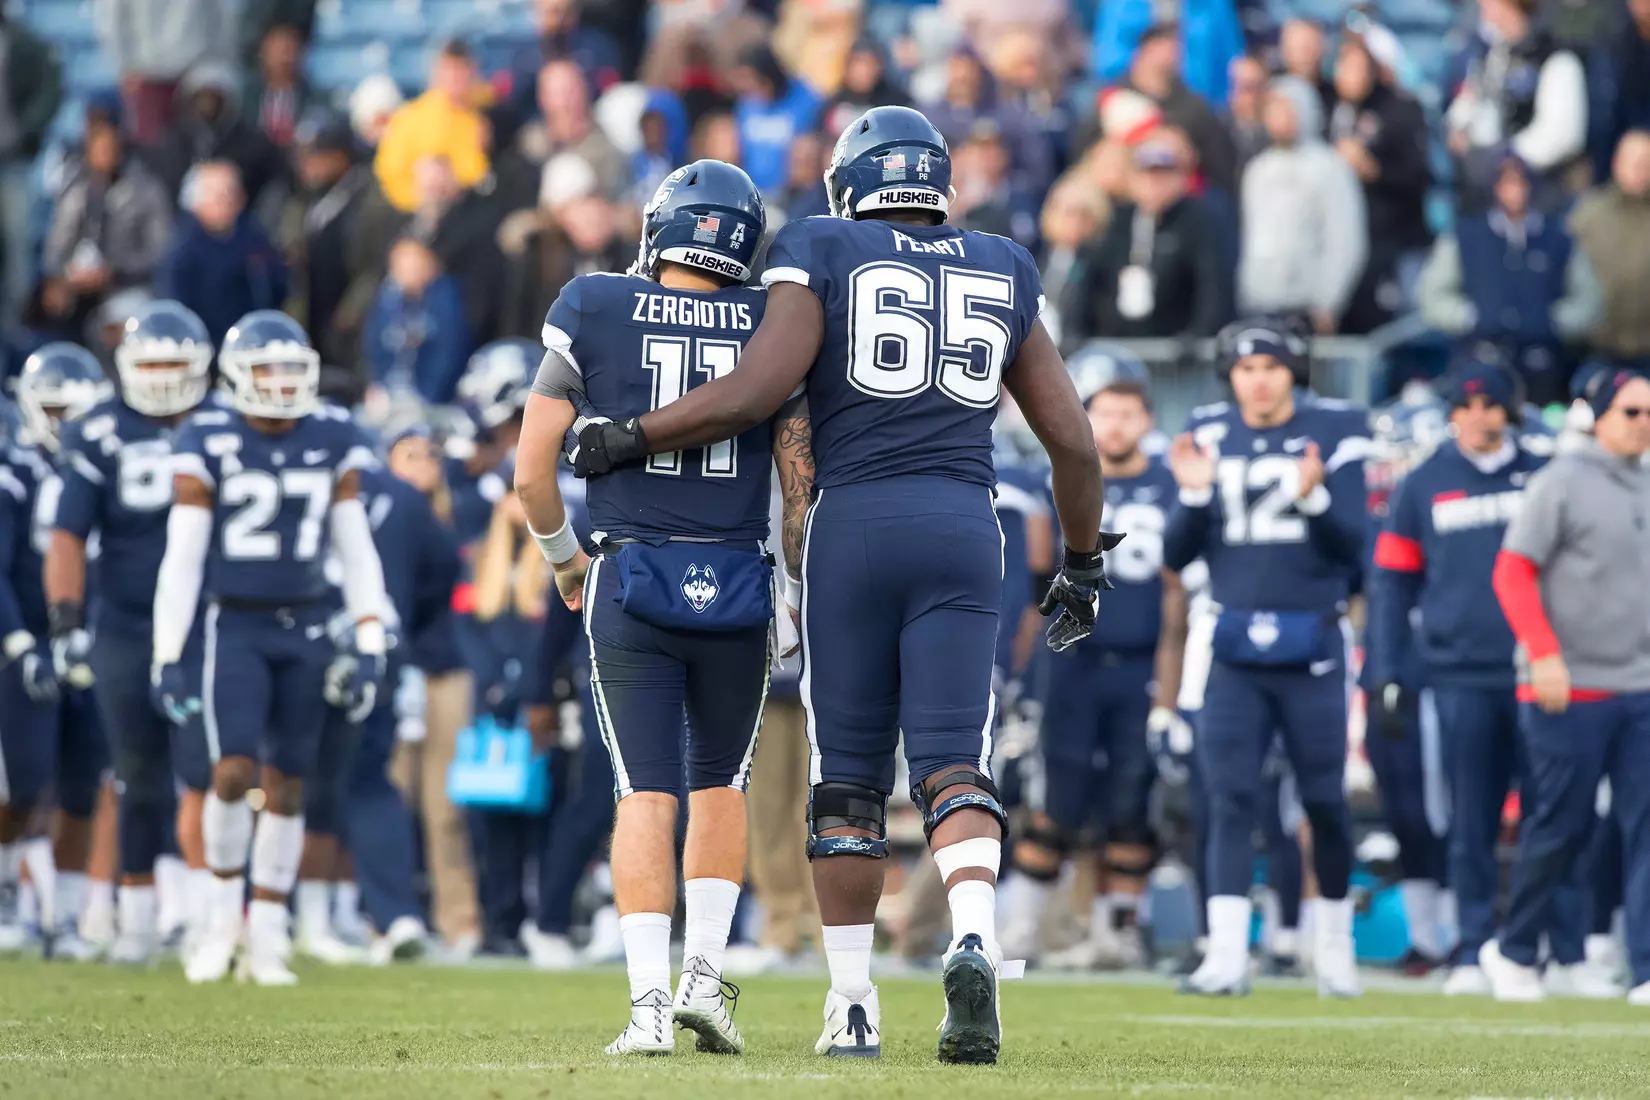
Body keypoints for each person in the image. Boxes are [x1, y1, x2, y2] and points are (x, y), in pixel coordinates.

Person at [570, 106, 1111, 1065]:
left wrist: (632, 435)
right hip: (962, 519)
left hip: (853, 523)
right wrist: (1079, 562)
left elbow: (752, 389)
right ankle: (974, 936)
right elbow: (1072, 438)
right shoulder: (1003, 262)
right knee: (953, 760)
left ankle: (853, 1001)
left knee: (846, 778)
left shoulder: (819, 244)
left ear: (849, 181)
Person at [515, 159, 805, 1054]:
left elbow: (532, 473)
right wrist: (792, 589)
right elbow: (801, 489)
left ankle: (646, 1007)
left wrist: (566, 561)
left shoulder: (595, 302)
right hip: (740, 578)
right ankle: (704, 982)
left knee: (643, 791)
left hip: (631, 576)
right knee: (724, 784)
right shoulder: (772, 318)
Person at [152, 310, 389, 986]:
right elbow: (183, 557)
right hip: (238, 624)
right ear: (235, 375)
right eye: (268, 371)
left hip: (310, 622)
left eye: (292, 371)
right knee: (230, 772)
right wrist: (169, 652)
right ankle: (221, 918)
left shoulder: (332, 434)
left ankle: (268, 930)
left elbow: (354, 544)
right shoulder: (208, 436)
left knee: (289, 781)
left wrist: (370, 633)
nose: (282, 385)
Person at [1164, 319, 1371, 997]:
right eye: (1247, 367)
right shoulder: (1209, 431)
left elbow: (1354, 551)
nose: (1258, 379)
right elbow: (1175, 553)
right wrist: (1194, 495)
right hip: (1232, 642)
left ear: (1293, 372)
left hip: (1314, 638)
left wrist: (1313, 497)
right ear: (1231, 374)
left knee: (1322, 799)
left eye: (1272, 367)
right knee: (1227, 799)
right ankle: (1226, 954)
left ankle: (1333, 945)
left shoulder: (1334, 430)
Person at [1367, 361, 1564, 993]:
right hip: (1458, 671)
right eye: (1468, 404)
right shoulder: (1423, 483)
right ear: (1452, 412)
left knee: (1551, 815)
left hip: (1541, 669)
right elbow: (1393, 587)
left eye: (1491, 405)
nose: (1479, 416)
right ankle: (1474, 946)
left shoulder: (1544, 475)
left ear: (1511, 411)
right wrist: (1387, 670)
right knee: (1471, 818)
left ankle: (1551, 947)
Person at [46, 302, 217, 965]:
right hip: (125, 621)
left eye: (178, 363)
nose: (167, 377)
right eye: (154, 363)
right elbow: (67, 534)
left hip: (209, 618)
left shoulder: (224, 424)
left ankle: (209, 915)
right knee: (138, 774)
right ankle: (140, 915)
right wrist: (65, 617)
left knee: (211, 770)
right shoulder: (97, 432)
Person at [1002, 378, 1186, 969]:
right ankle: (1022, 932)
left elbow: (1180, 585)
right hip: (1070, 662)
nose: (1114, 425)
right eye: (1104, 413)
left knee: (1131, 803)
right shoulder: (1064, 473)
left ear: (1148, 420)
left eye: (1128, 413)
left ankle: (1118, 933)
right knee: (1057, 797)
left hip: (1141, 662)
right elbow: (1034, 573)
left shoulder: (1171, 485)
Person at [1486, 368, 1650, 1004]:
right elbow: (1512, 571)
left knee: (1645, 828)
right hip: (1568, 683)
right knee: (1560, 826)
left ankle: (1644, 968)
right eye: (1631, 412)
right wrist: (1544, 654)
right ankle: (1516, 950)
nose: (1643, 423)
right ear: (1600, 415)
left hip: (1640, 683)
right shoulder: (1562, 481)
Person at [0, 348, 113, 957]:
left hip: (93, 639)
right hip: (30, 642)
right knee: (22, 783)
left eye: (77, 411)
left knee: (83, 783)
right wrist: (19, 645)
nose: (65, 423)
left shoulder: (108, 468)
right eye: (54, 410)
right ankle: (8, 893)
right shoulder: (14, 471)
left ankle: (66, 916)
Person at [1418, 156, 1600, 405]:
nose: (1514, 192)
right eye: (1506, 183)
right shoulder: (1466, 235)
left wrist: (1555, 322)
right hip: (1479, 359)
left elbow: (1589, 298)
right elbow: (1432, 293)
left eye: (1520, 183)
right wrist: (1470, 317)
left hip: (1543, 366)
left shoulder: (1558, 237)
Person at [1068, 137, 1229, 342]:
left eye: (1164, 173)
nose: (1154, 182)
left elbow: (1212, 284)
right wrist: (1079, 333)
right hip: (1118, 339)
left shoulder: (1199, 221)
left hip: (1174, 347)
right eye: (1146, 173)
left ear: (1181, 178)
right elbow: (1088, 279)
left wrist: (1197, 335)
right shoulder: (1116, 221)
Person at [1239, 78, 1368, 334]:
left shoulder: (1330, 168)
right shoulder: (1257, 170)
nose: (1281, 117)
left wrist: (1328, 301)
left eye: (1289, 108)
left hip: (1307, 305)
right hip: (1259, 301)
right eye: (1274, 108)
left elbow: (1344, 239)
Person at [1330, 33, 1433, 335]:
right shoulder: (1329, 109)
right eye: (1344, 66)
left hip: (1393, 243)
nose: (1350, 75)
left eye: (1359, 67)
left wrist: (1373, 170)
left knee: (1393, 327)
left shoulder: (1400, 110)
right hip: (1345, 244)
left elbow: (1420, 177)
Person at [1445, 0, 1588, 209]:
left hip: (1540, 190)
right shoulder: (1489, 55)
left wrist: (1507, 156)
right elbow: (1469, 101)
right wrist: (1458, 126)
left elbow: (1561, 136)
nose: (1483, 8)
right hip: (1488, 187)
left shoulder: (1555, 57)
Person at [42, 107, 173, 320]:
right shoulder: (75, 191)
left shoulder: (146, 190)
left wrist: (113, 271)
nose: (105, 154)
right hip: (79, 285)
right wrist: (63, 276)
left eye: (110, 147)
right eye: (98, 147)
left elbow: (159, 251)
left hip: (130, 286)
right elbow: (57, 245)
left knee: (122, 316)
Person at [156, 162, 290, 347]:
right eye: (218, 196)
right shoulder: (182, 248)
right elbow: (175, 308)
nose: (227, 202)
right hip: (204, 345)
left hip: (253, 343)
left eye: (232, 194)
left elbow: (276, 285)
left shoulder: (254, 235)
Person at [274, 114, 370, 367]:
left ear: (341, 157)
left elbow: (375, 265)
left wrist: (351, 311)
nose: (306, 165)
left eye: (315, 156)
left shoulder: (367, 198)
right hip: (312, 317)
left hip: (350, 326)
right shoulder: (302, 198)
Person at [1107, 23, 1238, 195]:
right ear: (1145, 50)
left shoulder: (1194, 107)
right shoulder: (1114, 99)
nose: (1172, 54)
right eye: (1164, 45)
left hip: (1182, 201)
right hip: (1122, 197)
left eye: (1176, 47)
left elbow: (1219, 167)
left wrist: (1185, 152)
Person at [147, 61, 286, 210]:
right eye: (201, 98)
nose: (208, 105)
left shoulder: (252, 146)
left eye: (215, 98)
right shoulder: (171, 144)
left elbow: (270, 187)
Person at [374, 42, 491, 215]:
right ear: (437, 72)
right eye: (450, 70)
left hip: (469, 208)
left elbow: (477, 173)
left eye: (462, 69)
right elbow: (390, 174)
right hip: (420, 211)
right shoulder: (412, 116)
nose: (456, 77)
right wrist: (420, 203)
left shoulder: (481, 113)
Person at [0, 10, 63, 325]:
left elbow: (51, 84)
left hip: (13, 161)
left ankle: (16, 327)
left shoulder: (21, 40)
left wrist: (28, 129)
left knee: (18, 251)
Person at [95, 0, 232, 144]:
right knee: (150, 149)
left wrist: (213, 69)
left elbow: (219, 19)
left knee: (199, 147)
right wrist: (125, 66)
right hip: (146, 76)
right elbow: (111, 19)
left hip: (195, 75)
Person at [1569, 131, 1650, 370]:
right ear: (1616, 163)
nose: (1641, 170)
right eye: (1635, 162)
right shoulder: (1588, 214)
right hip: (1596, 349)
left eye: (1647, 163)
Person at [362, 238, 471, 406]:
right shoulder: (387, 299)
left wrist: (426, 399)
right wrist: (378, 385)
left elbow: (447, 356)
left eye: (412, 267)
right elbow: (375, 346)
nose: (403, 274)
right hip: (390, 394)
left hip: (434, 400)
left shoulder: (445, 301)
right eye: (398, 267)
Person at [729, 45, 823, 196]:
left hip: (792, 194)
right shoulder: (746, 103)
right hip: (751, 191)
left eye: (755, 80)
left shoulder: (806, 99)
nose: (750, 87)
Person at [241, 22, 313, 150]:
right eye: (279, 50)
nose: (284, 58)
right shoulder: (245, 95)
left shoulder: (312, 96)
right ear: (263, 53)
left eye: (290, 50)